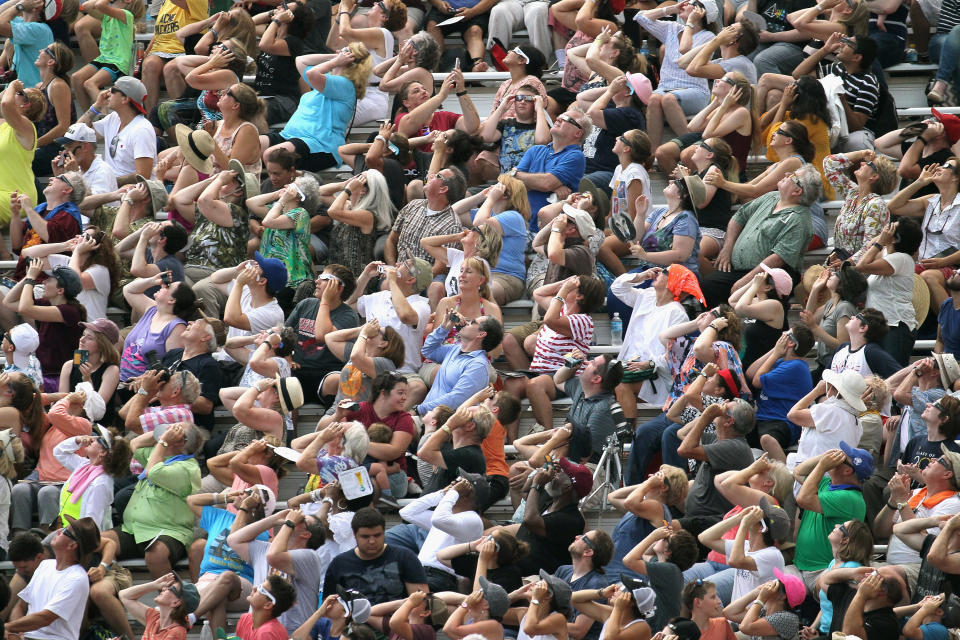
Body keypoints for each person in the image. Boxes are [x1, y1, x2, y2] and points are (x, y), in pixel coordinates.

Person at [701, 163, 821, 306]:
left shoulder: (799, 221)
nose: (786, 175)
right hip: (738, 269)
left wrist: (746, 281)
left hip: (768, 276)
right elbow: (738, 217)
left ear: (797, 191)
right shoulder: (772, 196)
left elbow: (777, 259)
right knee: (706, 288)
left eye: (793, 176)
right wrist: (727, 249)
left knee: (713, 289)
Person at [107, 422, 203, 578]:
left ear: (180, 441)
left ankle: (171, 598)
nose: (172, 428)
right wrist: (160, 433)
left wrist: (163, 441)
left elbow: (152, 472)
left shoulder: (188, 468)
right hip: (135, 529)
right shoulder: (162, 456)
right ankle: (114, 586)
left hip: (169, 531)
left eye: (177, 428)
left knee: (156, 553)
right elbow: (135, 443)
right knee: (100, 541)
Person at [261, 43, 373, 172]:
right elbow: (300, 60)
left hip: (319, 144)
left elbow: (312, 74)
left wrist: (334, 62)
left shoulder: (346, 85)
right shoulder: (326, 82)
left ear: (349, 61)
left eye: (345, 51)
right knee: (254, 145)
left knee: (272, 155)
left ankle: (276, 190)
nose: (341, 52)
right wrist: (333, 56)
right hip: (289, 135)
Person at [633, 1, 715, 148]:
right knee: (653, 100)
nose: (685, 3)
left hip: (695, 90)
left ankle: (692, 148)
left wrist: (690, 22)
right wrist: (671, 9)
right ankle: (653, 155)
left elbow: (684, 50)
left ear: (701, 12)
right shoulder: (672, 28)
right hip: (666, 88)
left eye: (691, 3)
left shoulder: (708, 37)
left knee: (668, 99)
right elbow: (640, 18)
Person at [792, 444, 873, 591]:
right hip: (802, 566)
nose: (836, 457)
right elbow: (798, 471)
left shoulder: (850, 497)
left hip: (823, 570)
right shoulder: (826, 484)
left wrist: (823, 466)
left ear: (848, 470)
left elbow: (803, 499)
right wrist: (824, 456)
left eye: (841, 458)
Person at [887, 159, 960, 316]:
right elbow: (893, 207)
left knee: (928, 277)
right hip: (925, 264)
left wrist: (943, 261)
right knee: (893, 272)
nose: (939, 166)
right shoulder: (931, 201)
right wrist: (919, 182)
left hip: (953, 266)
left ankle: (952, 324)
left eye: (947, 166)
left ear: (956, 177)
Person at [6, 517, 100, 640]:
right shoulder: (45, 565)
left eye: (65, 531)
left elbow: (45, 618)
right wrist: (18, 634)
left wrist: (7, 627)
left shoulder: (77, 578)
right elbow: (20, 606)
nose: (59, 531)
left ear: (72, 545)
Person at [4, 260, 85, 389]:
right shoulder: (47, 304)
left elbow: (25, 308)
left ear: (60, 290)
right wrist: (27, 276)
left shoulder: (70, 311)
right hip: (45, 375)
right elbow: (9, 302)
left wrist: (31, 278)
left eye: (49, 280)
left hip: (61, 379)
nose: (44, 282)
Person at [285, 266, 361, 404]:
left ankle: (331, 422)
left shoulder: (348, 316)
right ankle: (289, 426)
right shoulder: (305, 304)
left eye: (324, 279)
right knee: (285, 381)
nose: (316, 281)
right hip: (299, 369)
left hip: (328, 372)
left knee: (336, 380)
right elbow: (284, 334)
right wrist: (288, 359)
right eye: (318, 277)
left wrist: (325, 300)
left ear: (339, 288)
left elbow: (322, 335)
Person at [323, 507, 428, 605]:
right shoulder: (339, 564)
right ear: (354, 535)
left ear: (384, 533)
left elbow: (421, 603)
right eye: (365, 537)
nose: (372, 541)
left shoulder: (405, 557)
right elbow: (330, 607)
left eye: (377, 535)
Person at [855, 220, 924, 365]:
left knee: (891, 379)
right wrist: (883, 239)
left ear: (895, 238)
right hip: (884, 326)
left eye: (891, 229)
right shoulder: (889, 256)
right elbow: (868, 248)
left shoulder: (901, 259)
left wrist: (881, 241)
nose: (887, 229)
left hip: (895, 327)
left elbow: (862, 265)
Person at [677, 399, 757, 524]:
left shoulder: (734, 447)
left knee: (666, 529)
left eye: (724, 409)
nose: (720, 408)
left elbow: (684, 450)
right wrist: (707, 416)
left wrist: (707, 416)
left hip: (713, 521)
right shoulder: (721, 440)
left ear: (729, 421)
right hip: (698, 515)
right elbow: (682, 434)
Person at [511, 108, 590, 232]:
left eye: (566, 119)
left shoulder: (575, 156)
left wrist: (516, 174)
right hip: (517, 222)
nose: (558, 119)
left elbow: (546, 183)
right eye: (560, 115)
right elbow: (510, 184)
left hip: (543, 231)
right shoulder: (535, 150)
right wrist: (551, 186)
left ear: (578, 133)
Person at [512, 457, 593, 575]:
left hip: (536, 580)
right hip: (517, 568)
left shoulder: (571, 519)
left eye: (560, 473)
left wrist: (537, 484)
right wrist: (540, 473)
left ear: (567, 487)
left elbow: (530, 521)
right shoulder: (550, 498)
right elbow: (525, 491)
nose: (555, 474)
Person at [415, 313, 503, 417]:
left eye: (472, 323)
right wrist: (444, 328)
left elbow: (456, 400)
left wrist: (418, 410)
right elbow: (428, 351)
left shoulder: (478, 365)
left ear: (481, 334)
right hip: (429, 416)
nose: (466, 323)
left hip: (445, 423)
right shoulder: (455, 349)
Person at [76, 77, 156, 185]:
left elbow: (143, 175)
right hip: (111, 189)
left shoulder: (142, 129)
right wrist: (97, 106)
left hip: (131, 193)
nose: (107, 93)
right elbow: (77, 134)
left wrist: (109, 182)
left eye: (113, 90)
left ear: (125, 99)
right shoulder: (113, 118)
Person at [751, 326, 816, 456]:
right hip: (763, 419)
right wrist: (775, 352)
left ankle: (784, 467)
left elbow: (756, 381)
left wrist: (776, 353)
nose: (782, 334)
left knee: (767, 438)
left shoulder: (795, 367)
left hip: (781, 422)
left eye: (786, 334)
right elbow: (750, 372)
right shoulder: (784, 361)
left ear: (791, 342)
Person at [824, 151, 897, 262]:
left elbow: (870, 247)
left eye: (869, 164)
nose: (862, 163)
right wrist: (861, 153)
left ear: (874, 176)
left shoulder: (876, 205)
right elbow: (829, 164)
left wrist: (846, 264)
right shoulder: (852, 193)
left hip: (856, 270)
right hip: (839, 260)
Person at [801, 263, 868, 376]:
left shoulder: (844, 307)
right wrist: (815, 289)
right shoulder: (831, 304)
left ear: (842, 285)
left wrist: (815, 328)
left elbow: (842, 345)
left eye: (836, 273)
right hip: (824, 365)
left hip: (836, 371)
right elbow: (808, 316)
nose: (831, 273)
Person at [417, 405, 494, 492]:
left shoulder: (468, 455)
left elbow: (423, 453)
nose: (455, 416)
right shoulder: (462, 452)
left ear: (470, 426)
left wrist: (449, 425)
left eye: (462, 415)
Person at [118, 572, 199, 640]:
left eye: (170, 588)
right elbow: (124, 596)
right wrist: (154, 585)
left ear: (176, 602)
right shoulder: (154, 617)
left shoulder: (177, 632)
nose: (164, 588)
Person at [830, 308, 903, 379]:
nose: (852, 317)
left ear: (863, 327)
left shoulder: (872, 352)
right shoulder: (842, 348)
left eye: (857, 316)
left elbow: (902, 376)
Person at [237, 576, 298, 640]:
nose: (254, 588)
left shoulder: (267, 633)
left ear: (268, 605)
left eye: (261, 589)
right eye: (259, 585)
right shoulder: (245, 619)